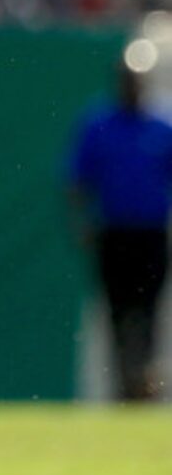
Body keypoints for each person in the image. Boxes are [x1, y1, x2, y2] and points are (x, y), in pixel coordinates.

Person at [68, 56, 172, 401]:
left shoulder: (161, 127)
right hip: (113, 234)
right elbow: (77, 181)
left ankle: (143, 377)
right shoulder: (99, 124)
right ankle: (123, 385)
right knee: (116, 311)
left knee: (148, 311)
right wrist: (82, 223)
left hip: (151, 233)